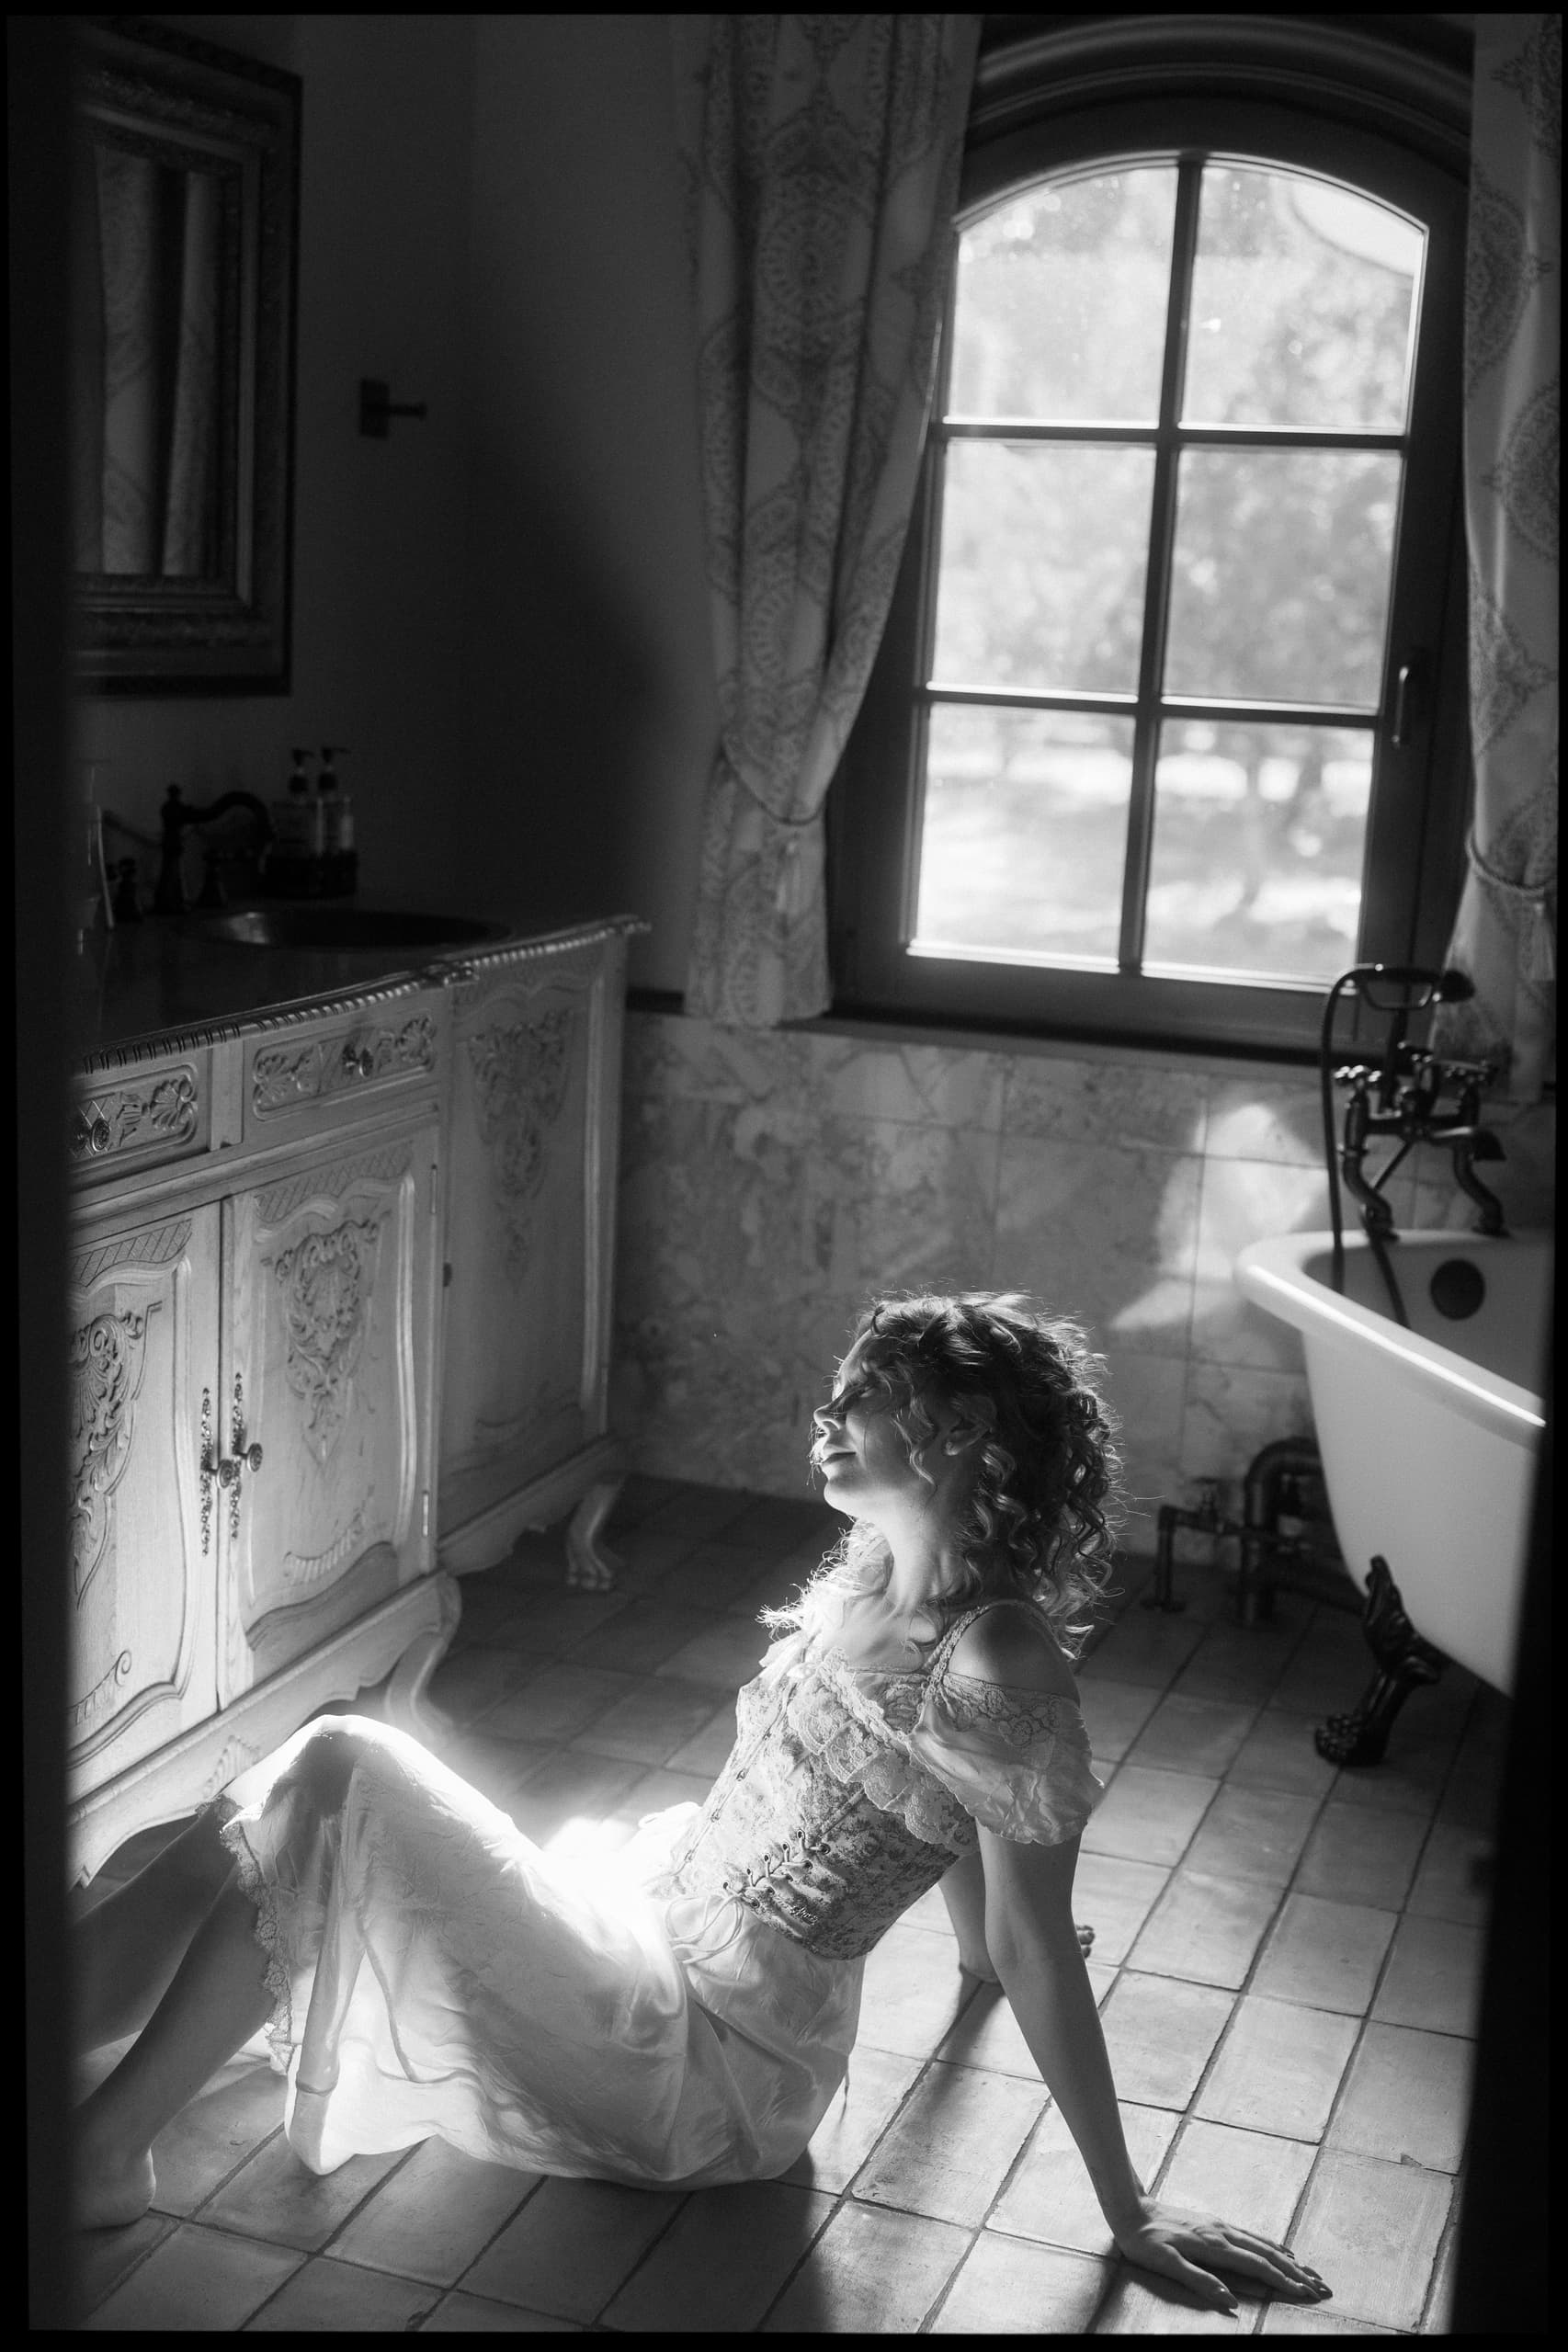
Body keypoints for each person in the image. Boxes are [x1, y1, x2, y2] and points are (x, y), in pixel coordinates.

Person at [74, 1291, 1331, 2317]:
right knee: (282, 1783)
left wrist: (1129, 2206)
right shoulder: (875, 1568)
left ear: (957, 1436)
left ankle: (102, 2150)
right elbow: (947, 1808)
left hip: (709, 2060)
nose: (825, 1417)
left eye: (863, 1398)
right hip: (650, 1918)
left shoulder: (997, 1657)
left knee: (342, 1761)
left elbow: (1033, 1930)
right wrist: (973, 1949)